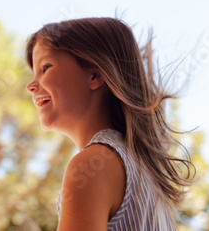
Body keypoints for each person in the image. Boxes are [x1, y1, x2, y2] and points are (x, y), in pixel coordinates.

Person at [25, 16, 195, 230]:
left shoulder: (91, 167)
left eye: (46, 67)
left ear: (95, 75)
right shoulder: (144, 173)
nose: (31, 85)